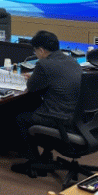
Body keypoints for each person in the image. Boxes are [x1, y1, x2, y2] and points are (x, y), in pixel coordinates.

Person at [12, 30, 82, 178]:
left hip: (58, 117)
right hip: (76, 116)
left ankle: (34, 163)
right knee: (33, 106)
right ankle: (45, 154)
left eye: (35, 51)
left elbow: (31, 88)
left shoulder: (44, 64)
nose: (36, 54)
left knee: (21, 118)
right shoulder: (71, 60)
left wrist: (32, 78)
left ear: (41, 50)